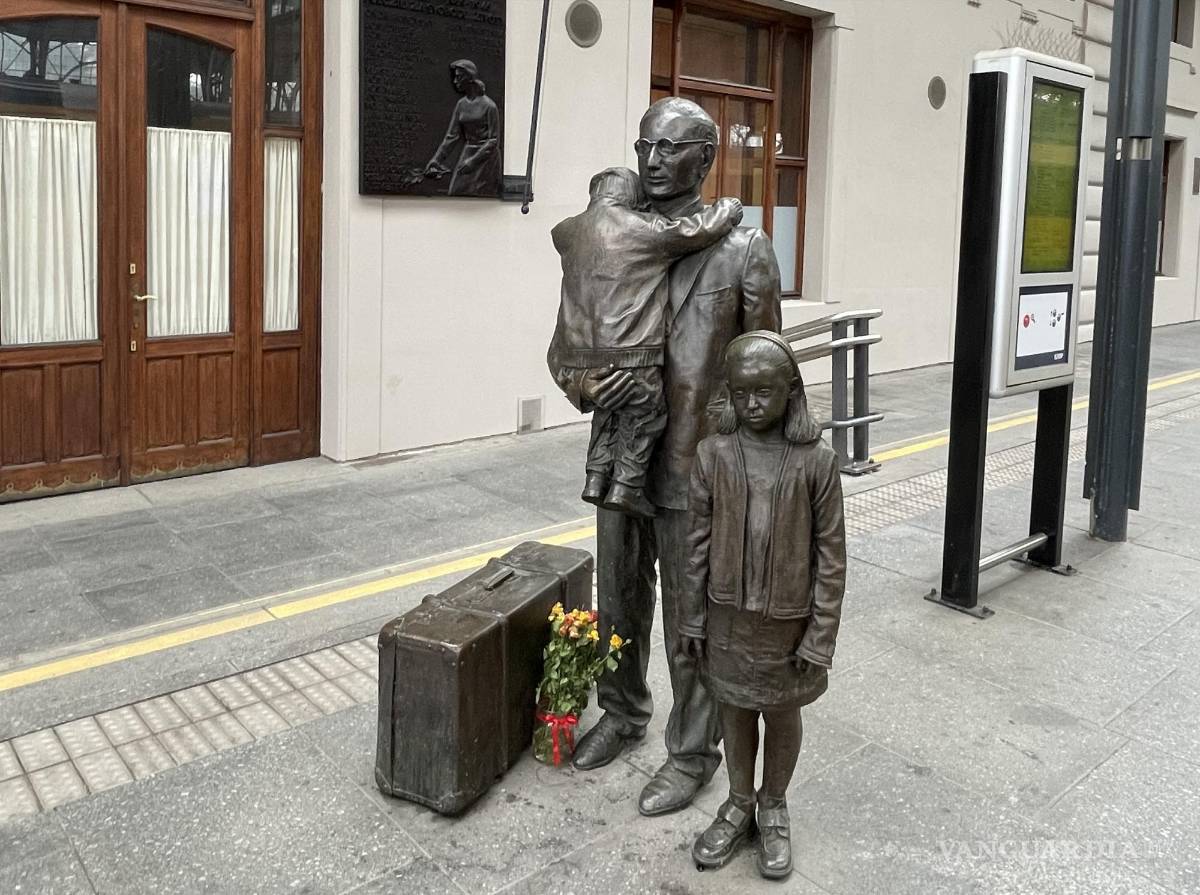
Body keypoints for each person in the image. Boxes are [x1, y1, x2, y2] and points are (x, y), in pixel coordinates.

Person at [546, 97, 782, 817]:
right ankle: (622, 713)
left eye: (669, 148)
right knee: (618, 596)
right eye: (644, 145)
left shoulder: (742, 248)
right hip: (620, 452)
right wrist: (587, 385)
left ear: (705, 159)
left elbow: (769, 369)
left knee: (689, 615)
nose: (651, 160)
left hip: (697, 466)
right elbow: (563, 348)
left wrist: (756, 470)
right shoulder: (608, 234)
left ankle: (691, 753)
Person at [680, 331, 846, 880]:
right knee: (733, 707)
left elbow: (831, 557)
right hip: (727, 618)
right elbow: (695, 545)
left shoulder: (816, 462)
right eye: (741, 392)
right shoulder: (713, 455)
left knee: (780, 710)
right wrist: (692, 619)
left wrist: (820, 636)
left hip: (788, 626)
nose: (752, 404)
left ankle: (773, 805)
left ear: (790, 391)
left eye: (764, 392)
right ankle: (738, 801)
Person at [550, 167, 744, 518]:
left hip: (586, 355)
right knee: (646, 415)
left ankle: (595, 478)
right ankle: (626, 487)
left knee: (609, 415)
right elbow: (693, 230)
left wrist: (582, 379)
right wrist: (726, 210)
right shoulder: (643, 228)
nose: (654, 162)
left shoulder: (568, 233)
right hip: (633, 352)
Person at [424, 59, 501, 196]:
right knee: (455, 192)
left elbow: (493, 140)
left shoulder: (489, 106)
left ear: (470, 78)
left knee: (479, 195)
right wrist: (436, 160)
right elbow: (452, 136)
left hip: (486, 158)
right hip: (468, 152)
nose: (455, 81)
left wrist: (473, 161)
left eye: (459, 77)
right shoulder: (461, 105)